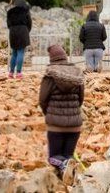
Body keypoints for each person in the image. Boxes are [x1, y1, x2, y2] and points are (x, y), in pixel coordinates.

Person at [39, 44, 84, 184]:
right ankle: (70, 177)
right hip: (75, 125)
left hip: (55, 126)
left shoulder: (50, 74)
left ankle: (64, 167)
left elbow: (42, 100)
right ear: (64, 56)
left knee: (54, 157)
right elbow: (81, 98)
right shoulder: (77, 72)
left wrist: (49, 114)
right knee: (69, 155)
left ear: (51, 58)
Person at [7, 0, 32, 79]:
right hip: (23, 31)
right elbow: (29, 23)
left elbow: (8, 24)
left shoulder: (10, 12)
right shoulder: (25, 11)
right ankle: (18, 73)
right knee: (21, 51)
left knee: (14, 52)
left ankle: (11, 72)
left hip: (13, 31)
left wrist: (12, 29)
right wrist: (27, 31)